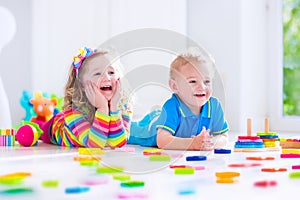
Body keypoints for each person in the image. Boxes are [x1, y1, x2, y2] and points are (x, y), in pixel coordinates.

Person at [128, 47, 229, 150]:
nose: (202, 87)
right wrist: (192, 144)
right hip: (151, 126)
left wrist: (209, 142)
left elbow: (224, 137)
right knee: (127, 130)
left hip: (164, 116)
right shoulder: (172, 106)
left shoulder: (214, 106)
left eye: (207, 81)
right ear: (175, 87)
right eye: (193, 81)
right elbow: (162, 141)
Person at [40, 47, 131, 148]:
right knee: (40, 129)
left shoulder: (122, 106)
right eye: (97, 73)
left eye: (111, 72)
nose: (107, 78)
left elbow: (118, 144)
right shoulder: (73, 112)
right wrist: (102, 108)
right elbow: (95, 145)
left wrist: (114, 107)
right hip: (55, 128)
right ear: (82, 85)